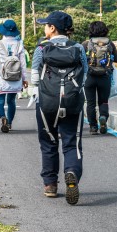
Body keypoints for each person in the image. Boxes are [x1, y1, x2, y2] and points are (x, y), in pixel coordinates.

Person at [31, 11, 87, 205]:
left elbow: (35, 76)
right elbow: (84, 75)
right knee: (72, 142)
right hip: (72, 102)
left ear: (52, 28)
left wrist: (36, 94)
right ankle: (71, 172)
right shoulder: (78, 48)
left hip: (46, 103)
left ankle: (50, 185)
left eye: (46, 25)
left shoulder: (41, 48)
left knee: (48, 142)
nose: (44, 28)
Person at [0, 19, 28, 132]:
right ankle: (9, 123)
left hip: (1, 77)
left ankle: (2, 117)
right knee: (11, 101)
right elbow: (23, 63)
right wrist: (24, 79)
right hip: (15, 77)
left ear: (3, 31)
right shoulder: (20, 44)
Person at [82, 21, 117, 135]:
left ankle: (93, 127)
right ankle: (103, 117)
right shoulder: (109, 43)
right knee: (103, 101)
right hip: (105, 76)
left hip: (89, 77)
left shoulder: (86, 44)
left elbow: (79, 60)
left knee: (90, 103)